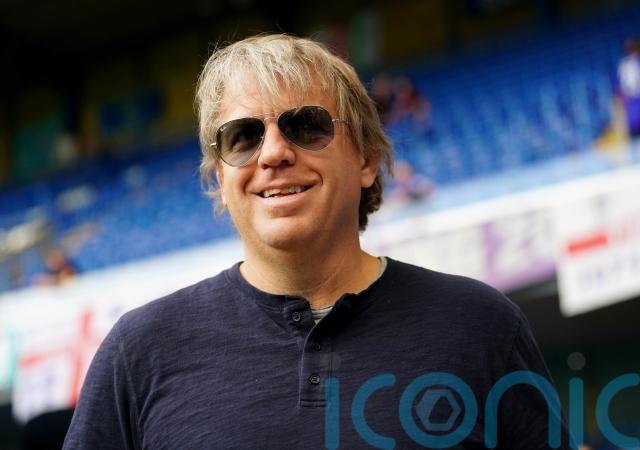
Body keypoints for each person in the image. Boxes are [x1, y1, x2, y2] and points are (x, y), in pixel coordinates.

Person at [63, 34, 573, 449]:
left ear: (367, 159)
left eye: (306, 126)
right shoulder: (139, 352)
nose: (273, 153)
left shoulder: (481, 325)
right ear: (220, 177)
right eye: (243, 137)